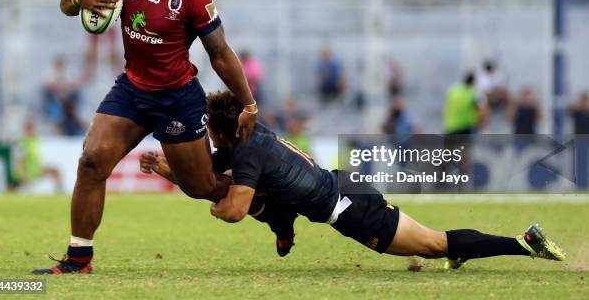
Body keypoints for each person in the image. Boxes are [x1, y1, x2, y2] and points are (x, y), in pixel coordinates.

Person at [32, 0, 258, 275]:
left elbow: (220, 53)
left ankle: (266, 200)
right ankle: (78, 260)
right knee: (91, 160)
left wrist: (249, 103)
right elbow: (66, 4)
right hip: (133, 89)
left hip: (177, 97)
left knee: (202, 187)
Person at [142, 91, 567, 269]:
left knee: (436, 243)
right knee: (271, 202)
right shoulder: (250, 137)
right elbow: (211, 171)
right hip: (341, 188)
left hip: (355, 212)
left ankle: (523, 244)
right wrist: (168, 169)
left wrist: (216, 207)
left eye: (209, 133)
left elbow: (231, 207)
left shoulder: (247, 154)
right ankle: (284, 228)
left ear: (220, 132)